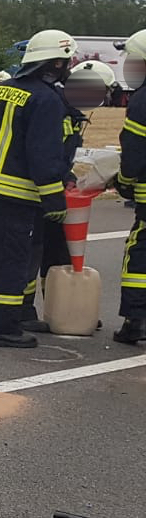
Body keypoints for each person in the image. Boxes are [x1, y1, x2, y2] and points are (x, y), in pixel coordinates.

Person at [0, 29, 73, 347]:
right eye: (67, 61)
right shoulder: (47, 100)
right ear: (56, 63)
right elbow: (43, 154)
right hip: (17, 193)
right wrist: (54, 199)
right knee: (11, 259)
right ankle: (3, 328)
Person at [18, 59, 115, 331]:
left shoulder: (69, 111)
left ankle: (63, 307)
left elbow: (60, 156)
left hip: (53, 188)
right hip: (37, 191)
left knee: (58, 252)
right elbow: (43, 154)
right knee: (33, 250)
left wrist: (69, 178)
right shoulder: (56, 108)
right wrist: (56, 185)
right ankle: (23, 311)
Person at [113, 30, 146, 344]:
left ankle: (137, 321)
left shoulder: (142, 100)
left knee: (139, 253)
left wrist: (122, 182)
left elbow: (134, 151)